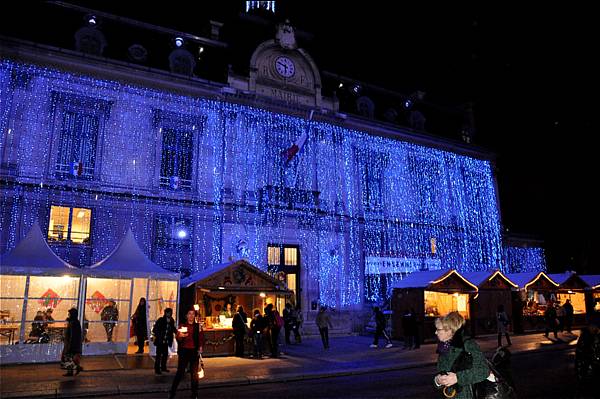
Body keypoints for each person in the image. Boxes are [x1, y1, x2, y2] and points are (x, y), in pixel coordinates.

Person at [433, 312, 490, 399]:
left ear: (449, 330)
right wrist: (438, 381)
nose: (435, 332)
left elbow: (483, 370)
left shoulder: (468, 344)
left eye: (438, 329)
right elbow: (439, 373)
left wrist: (458, 378)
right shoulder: (443, 348)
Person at [169, 308, 204, 399]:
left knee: (194, 374)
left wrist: (200, 347)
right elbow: (178, 338)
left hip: (194, 351)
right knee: (180, 372)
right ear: (186, 315)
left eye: (193, 314)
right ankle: (172, 392)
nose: (191, 316)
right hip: (184, 351)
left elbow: (201, 337)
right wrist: (180, 336)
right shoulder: (182, 325)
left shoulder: (198, 326)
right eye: (189, 314)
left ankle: (194, 394)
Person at [152, 307, 175, 375]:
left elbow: (173, 329)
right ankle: (157, 369)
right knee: (159, 355)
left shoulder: (171, 320)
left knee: (165, 355)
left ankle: (163, 367)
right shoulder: (161, 320)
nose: (169, 314)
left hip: (166, 341)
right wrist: (159, 336)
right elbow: (155, 329)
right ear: (165, 313)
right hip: (160, 340)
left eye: (170, 313)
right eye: (168, 313)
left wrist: (177, 332)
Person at [62, 307, 83, 377]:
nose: (69, 315)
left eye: (70, 314)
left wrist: (70, 344)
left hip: (72, 343)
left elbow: (74, 335)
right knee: (70, 358)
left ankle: (74, 369)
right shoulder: (73, 322)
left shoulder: (74, 323)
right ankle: (73, 370)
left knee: (69, 357)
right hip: (71, 343)